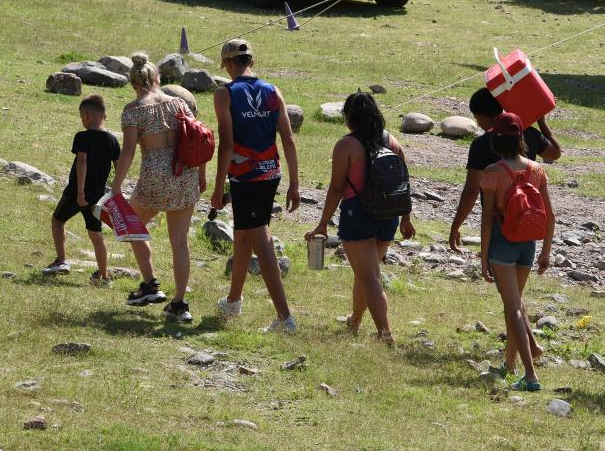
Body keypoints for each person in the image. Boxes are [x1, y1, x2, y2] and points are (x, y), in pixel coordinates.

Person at [305, 92, 415, 345]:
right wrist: (405, 219)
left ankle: (385, 334)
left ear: (349, 118)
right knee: (366, 273)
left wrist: (322, 223)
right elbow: (404, 183)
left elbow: (335, 188)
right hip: (387, 215)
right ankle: (354, 320)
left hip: (358, 213)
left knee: (369, 277)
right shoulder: (392, 141)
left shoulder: (346, 145)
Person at [110, 53, 207, 323]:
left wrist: (117, 186)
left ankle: (150, 283)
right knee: (180, 242)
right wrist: (202, 174)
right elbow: (198, 136)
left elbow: (128, 151)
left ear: (133, 83)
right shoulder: (178, 102)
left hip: (155, 174)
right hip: (184, 171)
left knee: (131, 226)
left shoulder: (133, 110)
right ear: (157, 79)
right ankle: (179, 304)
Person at [211, 39, 299, 332]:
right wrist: (295, 184)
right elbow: (288, 139)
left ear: (228, 64)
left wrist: (217, 187)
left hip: (244, 176)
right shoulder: (273, 91)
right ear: (251, 61)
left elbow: (227, 144)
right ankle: (233, 300)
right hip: (270, 173)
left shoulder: (225, 94)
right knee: (243, 237)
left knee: (260, 241)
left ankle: (284, 316)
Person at [479, 112, 554, 392]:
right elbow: (550, 215)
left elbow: (487, 220)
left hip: (503, 243)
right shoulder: (536, 169)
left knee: (513, 308)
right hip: (528, 243)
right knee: (516, 304)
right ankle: (510, 363)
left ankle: (531, 374)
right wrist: (546, 251)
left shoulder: (493, 173)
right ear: (521, 137)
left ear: (496, 140)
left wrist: (483, 256)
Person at [449, 88, 560, 253]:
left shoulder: (481, 144)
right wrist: (542, 122)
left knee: (501, 276)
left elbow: (471, 191)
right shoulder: (527, 133)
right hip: (526, 220)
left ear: (480, 117)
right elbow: (555, 153)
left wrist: (455, 227)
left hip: (498, 224)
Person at [43, 95, 120, 284]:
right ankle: (103, 276)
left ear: (86, 115)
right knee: (96, 234)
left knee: (57, 221)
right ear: (104, 115)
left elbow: (82, 162)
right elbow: (119, 167)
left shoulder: (82, 137)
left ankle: (61, 261)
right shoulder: (112, 140)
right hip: (98, 195)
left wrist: (80, 192)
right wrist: (115, 192)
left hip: (77, 193)